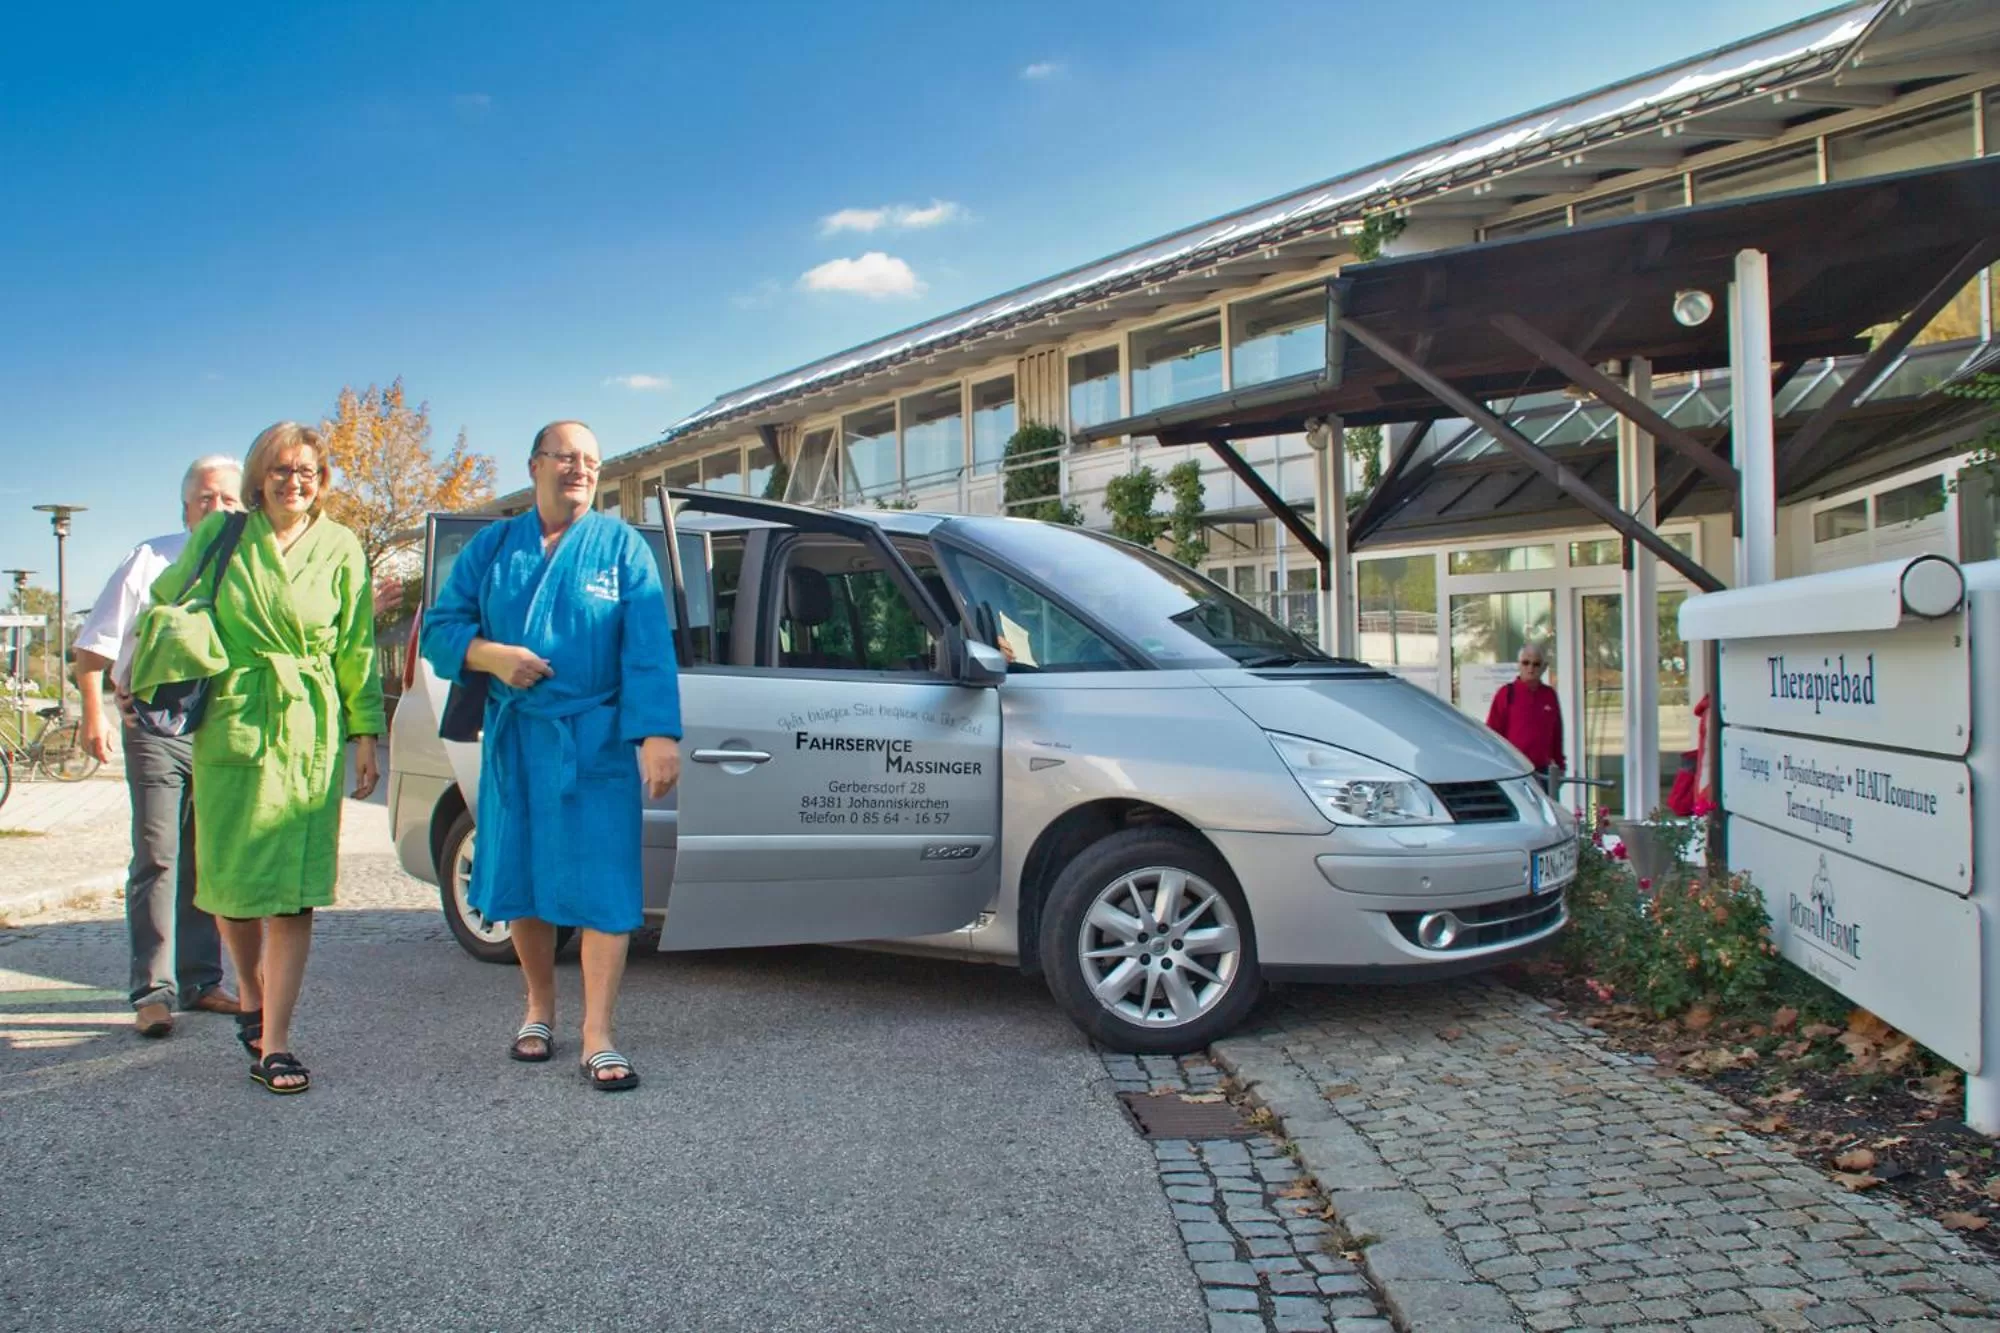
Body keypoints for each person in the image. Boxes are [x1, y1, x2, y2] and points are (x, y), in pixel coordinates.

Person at [421, 420, 681, 1091]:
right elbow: (443, 628)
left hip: (592, 737)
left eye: (591, 460)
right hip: (517, 738)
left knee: (607, 888)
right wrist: (491, 656)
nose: (580, 468)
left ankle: (599, 1032)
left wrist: (657, 735)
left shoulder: (622, 548)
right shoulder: (492, 546)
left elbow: (648, 646)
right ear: (536, 463)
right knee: (524, 880)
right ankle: (539, 1006)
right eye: (566, 456)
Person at [131, 422, 383, 1094]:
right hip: (235, 722)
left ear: (323, 478)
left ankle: (276, 1040)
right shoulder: (223, 533)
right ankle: (249, 989)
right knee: (232, 888)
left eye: (306, 470)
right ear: (258, 477)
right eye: (279, 470)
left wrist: (366, 732)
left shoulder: (342, 546)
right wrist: (189, 642)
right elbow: (165, 598)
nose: (293, 481)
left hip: (309, 724)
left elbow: (356, 642)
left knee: (294, 895)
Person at [73, 455, 246, 1037]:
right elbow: (94, 648)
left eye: (228, 499)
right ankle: (152, 990)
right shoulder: (150, 559)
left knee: (208, 859)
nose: (217, 508)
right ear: (186, 505)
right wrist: (93, 714)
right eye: (206, 498)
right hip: (153, 729)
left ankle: (201, 980)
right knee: (160, 855)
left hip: (222, 730)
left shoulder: (252, 566)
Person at [1485, 642, 1565, 795]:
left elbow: (1557, 735)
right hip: (1515, 771)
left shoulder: (1549, 695)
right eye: (1526, 663)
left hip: (1543, 772)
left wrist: (1560, 767)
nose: (1531, 668)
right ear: (1519, 665)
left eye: (1536, 664)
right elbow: (1493, 735)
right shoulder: (1506, 694)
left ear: (1544, 667)